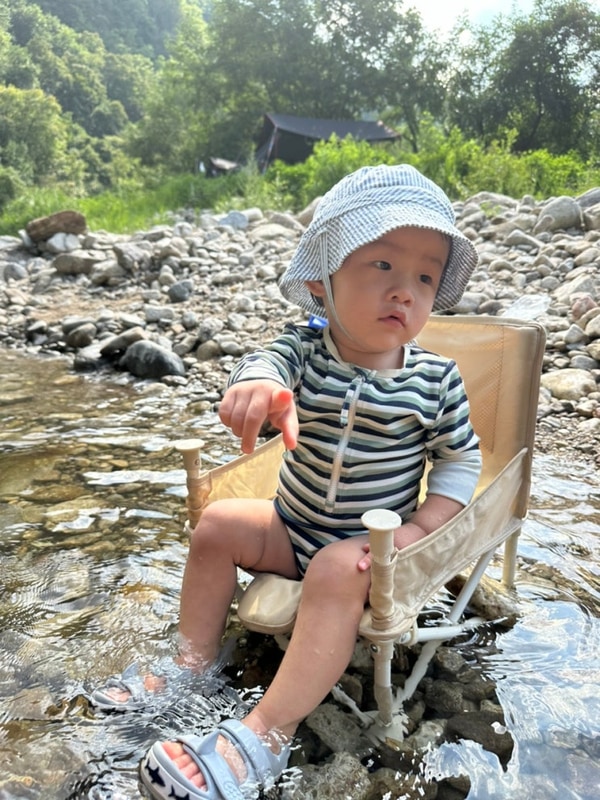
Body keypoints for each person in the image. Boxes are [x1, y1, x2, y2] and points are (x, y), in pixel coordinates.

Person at [97, 164, 482, 800]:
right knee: (218, 524)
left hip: (366, 552)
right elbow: (267, 363)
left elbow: (460, 460)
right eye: (381, 265)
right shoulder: (305, 348)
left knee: (334, 566)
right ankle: (191, 664)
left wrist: (419, 530)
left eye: (424, 275)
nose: (404, 291)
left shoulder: (435, 380)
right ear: (321, 283)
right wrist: (256, 387)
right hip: (291, 528)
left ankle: (267, 731)